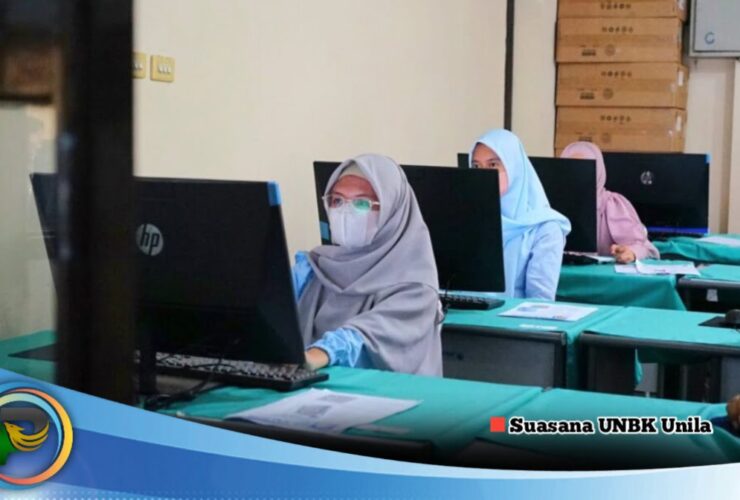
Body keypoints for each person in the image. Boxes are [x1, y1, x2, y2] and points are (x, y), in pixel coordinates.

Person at [294, 154, 443, 376]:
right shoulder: (314, 268)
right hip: (312, 389)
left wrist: (321, 353)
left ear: (392, 212)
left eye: (362, 203)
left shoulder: (417, 286)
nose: (346, 212)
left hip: (388, 394)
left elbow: (371, 334)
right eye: (337, 201)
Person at [469, 129, 571, 300]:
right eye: (476, 166)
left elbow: (540, 301)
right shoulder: (466, 219)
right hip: (455, 313)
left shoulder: (545, 228)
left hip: (509, 317)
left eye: (493, 165)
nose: (483, 174)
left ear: (514, 168)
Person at [560, 141, 660, 264]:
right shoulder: (550, 206)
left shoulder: (613, 205)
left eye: (584, 169)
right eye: (571, 168)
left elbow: (647, 249)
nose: (577, 176)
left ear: (598, 171)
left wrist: (631, 253)